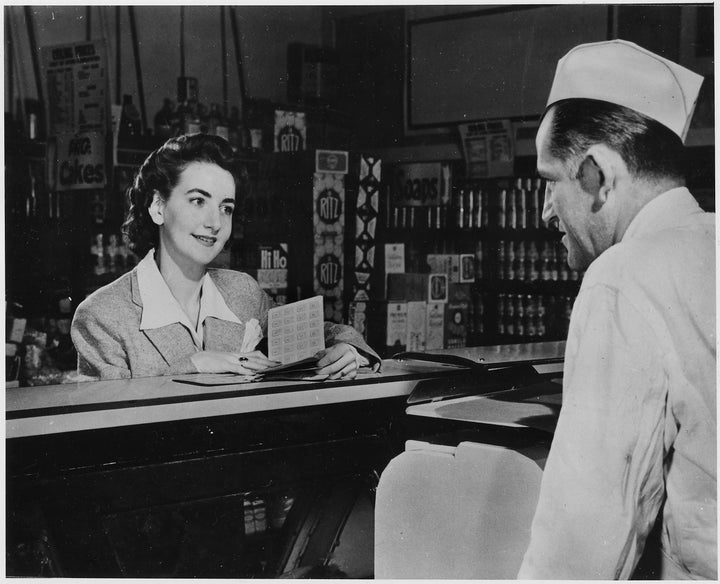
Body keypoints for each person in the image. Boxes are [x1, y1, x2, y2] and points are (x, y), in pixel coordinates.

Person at [517, 40, 716, 579]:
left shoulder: (624, 277)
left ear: (596, 175)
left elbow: (583, 540)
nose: (544, 212)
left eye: (548, 182)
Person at [71, 133, 380, 380]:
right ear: (157, 207)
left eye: (226, 208)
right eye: (197, 201)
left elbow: (313, 333)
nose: (215, 223)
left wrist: (347, 348)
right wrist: (193, 364)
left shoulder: (242, 292)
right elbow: (110, 423)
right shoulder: (102, 316)